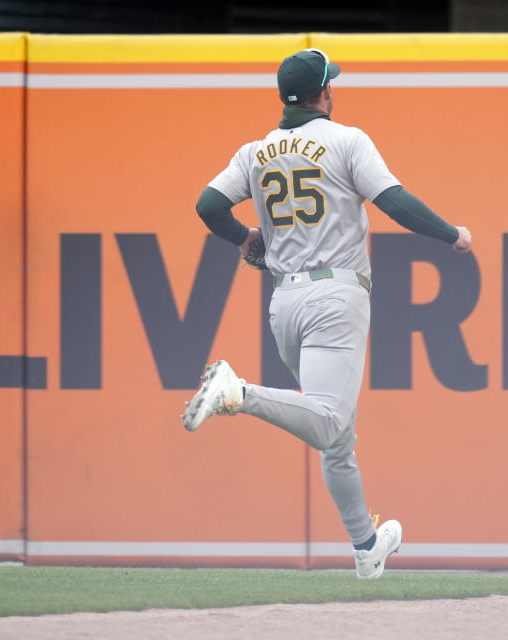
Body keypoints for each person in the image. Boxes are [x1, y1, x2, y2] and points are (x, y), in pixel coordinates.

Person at [182, 48, 472, 579]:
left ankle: (366, 547)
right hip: (336, 295)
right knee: (330, 420)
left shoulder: (257, 152)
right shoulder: (346, 140)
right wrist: (452, 234)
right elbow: (394, 201)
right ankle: (237, 393)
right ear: (325, 92)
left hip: (284, 303)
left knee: (337, 440)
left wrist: (246, 237)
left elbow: (208, 206)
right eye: (330, 83)